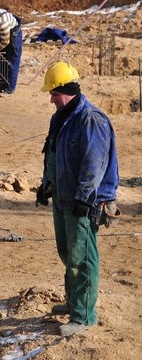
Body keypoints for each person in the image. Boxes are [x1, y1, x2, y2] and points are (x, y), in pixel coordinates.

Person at [36, 61, 118, 337]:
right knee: (67, 251)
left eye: (54, 94)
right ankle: (73, 301)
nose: (51, 99)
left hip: (83, 201)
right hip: (63, 197)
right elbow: (52, 153)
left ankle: (83, 316)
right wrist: (45, 185)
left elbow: (93, 163)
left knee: (82, 258)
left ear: (66, 90)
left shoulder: (90, 119)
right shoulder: (61, 117)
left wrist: (85, 198)